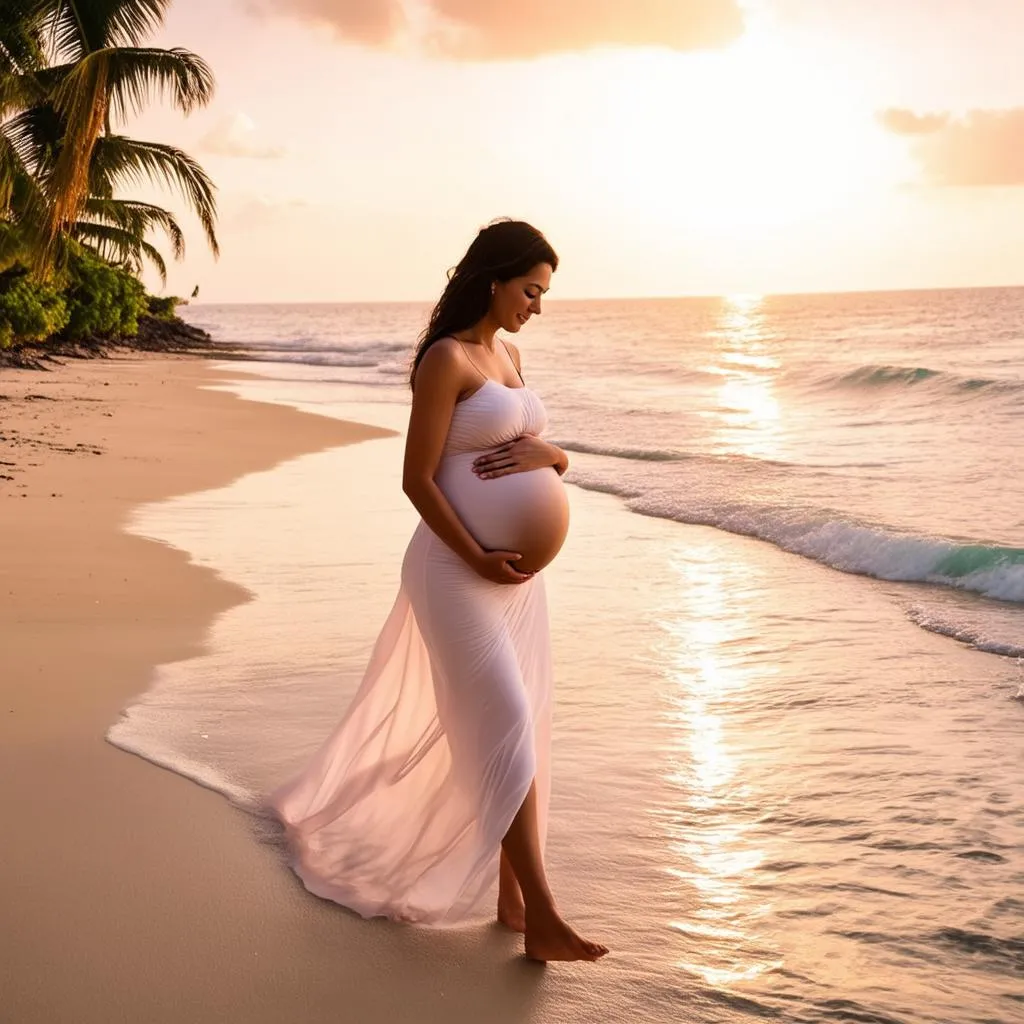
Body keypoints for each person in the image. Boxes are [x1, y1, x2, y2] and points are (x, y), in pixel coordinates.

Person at [269, 219, 608, 963]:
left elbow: (539, 455)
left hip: (512, 586)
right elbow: (416, 479)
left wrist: (553, 453)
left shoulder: (509, 355)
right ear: (494, 279)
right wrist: (480, 557)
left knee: (528, 725)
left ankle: (513, 899)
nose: (538, 307)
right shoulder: (445, 360)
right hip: (456, 575)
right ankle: (545, 915)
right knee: (506, 724)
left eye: (544, 294)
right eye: (531, 290)